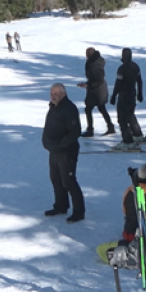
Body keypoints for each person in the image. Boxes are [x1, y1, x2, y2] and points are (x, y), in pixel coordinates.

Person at [42, 83, 85, 223]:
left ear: (63, 94)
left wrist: (60, 145)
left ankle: (79, 212)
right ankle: (60, 205)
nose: (52, 96)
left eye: (56, 94)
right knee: (56, 179)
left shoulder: (69, 108)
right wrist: (46, 142)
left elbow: (75, 132)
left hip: (67, 152)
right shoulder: (53, 107)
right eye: (51, 94)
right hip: (54, 151)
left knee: (68, 181)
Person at [110, 48, 145, 151]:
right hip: (132, 94)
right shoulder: (135, 66)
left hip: (124, 95)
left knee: (122, 119)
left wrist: (113, 96)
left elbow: (118, 84)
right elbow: (139, 81)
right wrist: (140, 93)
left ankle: (127, 141)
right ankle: (137, 134)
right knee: (130, 115)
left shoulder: (122, 68)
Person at [76, 47, 115, 138]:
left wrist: (87, 85)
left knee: (89, 109)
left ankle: (90, 130)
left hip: (96, 90)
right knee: (101, 108)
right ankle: (110, 127)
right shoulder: (97, 61)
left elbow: (98, 79)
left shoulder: (93, 65)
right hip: (99, 89)